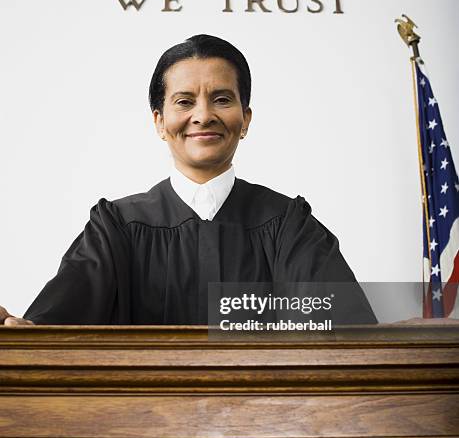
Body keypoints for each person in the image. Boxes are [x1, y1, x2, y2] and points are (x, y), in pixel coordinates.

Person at [0, 34, 377, 326]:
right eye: (184, 102)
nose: (203, 115)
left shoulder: (288, 225)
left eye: (222, 99)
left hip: (264, 422)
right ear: (159, 122)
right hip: (142, 424)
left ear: (245, 120)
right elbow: (56, 325)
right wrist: (22, 329)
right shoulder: (117, 227)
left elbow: (343, 330)